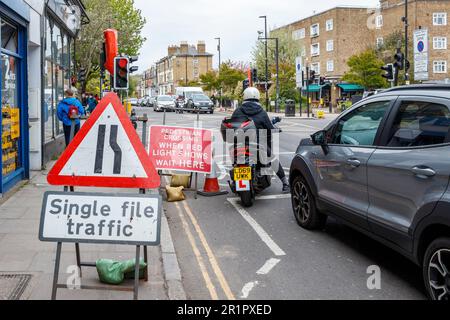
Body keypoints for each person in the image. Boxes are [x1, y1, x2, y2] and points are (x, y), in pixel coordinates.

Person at [232, 87, 290, 193]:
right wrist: (275, 130)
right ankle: (285, 183)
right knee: (272, 159)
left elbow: (232, 126)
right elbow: (269, 128)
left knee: (235, 160)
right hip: (258, 144)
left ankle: (235, 180)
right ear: (258, 97)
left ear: (244, 97)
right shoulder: (261, 112)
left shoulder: (238, 111)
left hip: (240, 144)